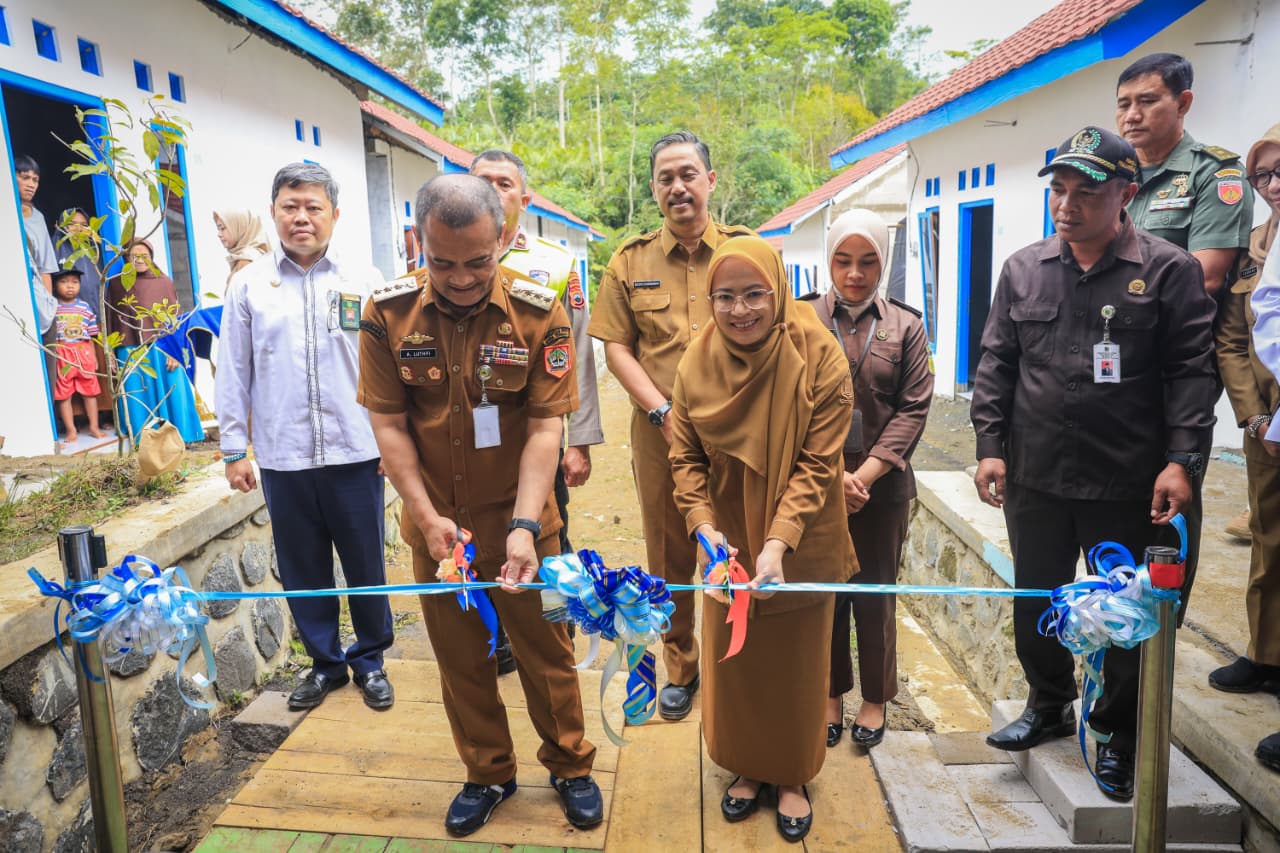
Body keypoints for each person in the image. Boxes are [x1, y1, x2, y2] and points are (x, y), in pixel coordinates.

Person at [971, 126, 1216, 801]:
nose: (1067, 204)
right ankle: (1048, 704)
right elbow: (996, 364)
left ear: (1126, 195)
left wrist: (1181, 462)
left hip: (1129, 479)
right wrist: (989, 446)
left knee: (1127, 613)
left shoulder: (1169, 270)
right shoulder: (1023, 268)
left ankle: (1117, 733)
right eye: (1059, 189)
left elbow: (1192, 373)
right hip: (1037, 475)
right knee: (1038, 600)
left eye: (1086, 191)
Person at [357, 174, 601, 836]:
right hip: (437, 529)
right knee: (461, 660)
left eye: (477, 262)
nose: (460, 279)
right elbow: (389, 426)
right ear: (419, 241)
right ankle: (487, 772)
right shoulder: (387, 313)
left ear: (503, 239)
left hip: (527, 524)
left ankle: (571, 765)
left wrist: (524, 524)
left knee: (548, 652)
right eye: (442, 263)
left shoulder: (538, 311)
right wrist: (425, 516)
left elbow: (545, 427)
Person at [669, 234, 854, 843]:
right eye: (725, 297)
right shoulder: (695, 362)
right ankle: (747, 766)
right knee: (737, 664)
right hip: (726, 540)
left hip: (801, 537)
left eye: (754, 294)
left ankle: (793, 775)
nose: (739, 309)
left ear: (777, 291)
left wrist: (778, 542)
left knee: (797, 665)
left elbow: (818, 464)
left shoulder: (819, 356)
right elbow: (685, 458)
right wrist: (704, 528)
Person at [216, 162, 395, 713]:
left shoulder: (364, 280)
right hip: (283, 456)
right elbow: (233, 369)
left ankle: (371, 661)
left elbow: (390, 366)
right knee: (302, 568)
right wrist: (233, 449)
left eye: (313, 207)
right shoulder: (249, 284)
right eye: (290, 207)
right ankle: (325, 663)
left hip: (357, 450)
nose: (301, 218)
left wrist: (395, 442)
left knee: (365, 564)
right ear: (273, 212)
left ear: (334, 215)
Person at [588, 131, 754, 720]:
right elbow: (617, 348)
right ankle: (681, 665)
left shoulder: (746, 252)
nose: (678, 187)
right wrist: (660, 412)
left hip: (738, 433)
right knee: (668, 551)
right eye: (666, 178)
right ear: (654, 189)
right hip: (659, 432)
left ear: (711, 180)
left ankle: (738, 667)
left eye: (688, 174)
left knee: (737, 542)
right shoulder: (629, 262)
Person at [470, 149, 605, 669]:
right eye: (482, 181)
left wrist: (582, 440)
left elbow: (580, 356)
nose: (492, 191)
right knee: (479, 537)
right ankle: (497, 635)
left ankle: (555, 629)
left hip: (539, 432)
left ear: (524, 200)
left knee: (548, 531)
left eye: (504, 183)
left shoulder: (556, 265)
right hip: (469, 438)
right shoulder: (442, 257)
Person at [1116, 52, 1254, 545]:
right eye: (1124, 104)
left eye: (1147, 101)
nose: (1132, 115)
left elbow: (1206, 278)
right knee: (1111, 491)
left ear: (1183, 102)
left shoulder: (1214, 175)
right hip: (1111, 360)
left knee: (1167, 498)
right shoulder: (1112, 175)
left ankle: (1162, 595)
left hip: (1176, 365)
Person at [810, 209, 933, 750]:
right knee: (826, 594)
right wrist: (830, 475)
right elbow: (789, 402)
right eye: (843, 260)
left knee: (876, 594)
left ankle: (876, 699)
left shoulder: (906, 326)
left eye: (868, 262)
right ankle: (829, 693)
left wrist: (862, 475)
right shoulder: (802, 319)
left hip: (881, 490)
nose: (854, 273)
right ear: (829, 260)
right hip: (816, 485)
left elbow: (914, 408)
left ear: (883, 263)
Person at [1219, 126, 1280, 773]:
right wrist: (1255, 414)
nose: (1274, 185)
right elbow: (1232, 340)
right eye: (1263, 176)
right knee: (1267, 536)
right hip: (1265, 426)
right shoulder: (1258, 246)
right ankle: (1266, 655)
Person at [105, 240, 205, 443]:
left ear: (151, 257)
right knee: (137, 395)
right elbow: (109, 318)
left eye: (145, 255)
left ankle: (182, 437)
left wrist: (175, 352)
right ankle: (144, 441)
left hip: (163, 349)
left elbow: (175, 318)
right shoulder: (116, 284)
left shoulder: (164, 282)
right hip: (131, 350)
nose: (140, 259)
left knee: (174, 388)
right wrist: (110, 353)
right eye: (134, 255)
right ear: (126, 258)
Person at [50, 268, 104, 445]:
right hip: (63, 352)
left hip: (84, 351)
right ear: (55, 285)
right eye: (64, 282)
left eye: (74, 282)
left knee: (90, 392)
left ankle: (94, 426)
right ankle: (71, 429)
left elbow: (92, 335)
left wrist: (94, 358)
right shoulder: (53, 307)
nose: (70, 286)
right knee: (64, 394)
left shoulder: (85, 307)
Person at [15, 155, 59, 332]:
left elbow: (45, 268)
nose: (31, 184)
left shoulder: (38, 218)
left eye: (35, 180)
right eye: (25, 177)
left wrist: (48, 310)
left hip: (40, 308)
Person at [54, 208, 104, 319]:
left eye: (84, 225)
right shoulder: (54, 248)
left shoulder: (95, 249)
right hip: (66, 318)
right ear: (63, 226)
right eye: (72, 224)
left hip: (98, 316)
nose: (79, 228)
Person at [214, 207, 272, 290]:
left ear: (240, 228)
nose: (219, 234)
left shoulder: (247, 262)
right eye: (218, 229)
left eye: (222, 228)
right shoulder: (255, 257)